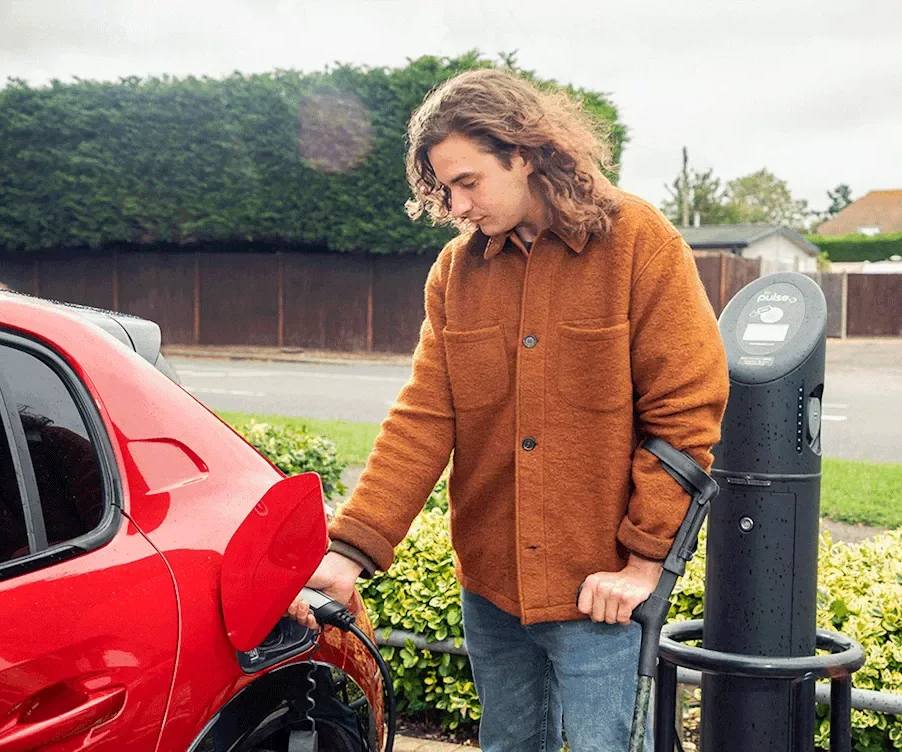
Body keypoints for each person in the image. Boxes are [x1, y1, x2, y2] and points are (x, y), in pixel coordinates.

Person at [289, 68, 728, 750]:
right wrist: (349, 549)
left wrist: (641, 565)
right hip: (492, 590)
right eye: (444, 188)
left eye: (469, 182)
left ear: (525, 154)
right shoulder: (456, 273)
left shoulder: (640, 243)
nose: (457, 205)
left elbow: (686, 412)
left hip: (599, 595)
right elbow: (424, 418)